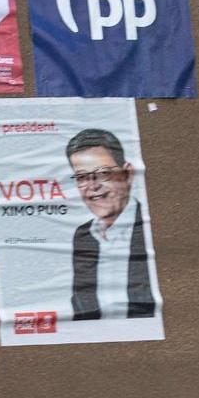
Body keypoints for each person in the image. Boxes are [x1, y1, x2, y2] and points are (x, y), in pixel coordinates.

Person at [66, 129, 155, 321]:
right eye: (82, 177)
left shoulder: (150, 226)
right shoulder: (83, 236)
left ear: (128, 174)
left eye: (103, 173)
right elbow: (82, 305)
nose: (93, 185)